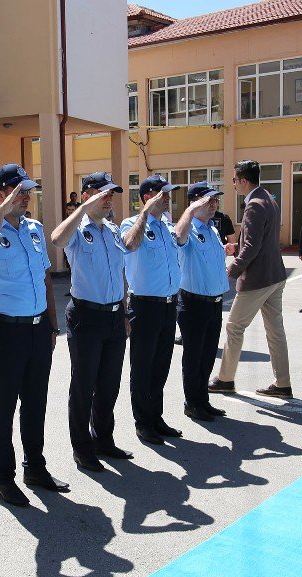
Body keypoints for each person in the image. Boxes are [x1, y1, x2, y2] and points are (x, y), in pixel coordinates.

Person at [0, 165, 66, 507]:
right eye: (19, 190)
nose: (26, 196)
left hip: (39, 329)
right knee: (4, 405)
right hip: (8, 330)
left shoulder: (35, 229)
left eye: (28, 191)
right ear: (0, 193)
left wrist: (53, 326)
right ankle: (3, 479)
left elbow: (45, 281)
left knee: (36, 402)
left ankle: (35, 467)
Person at [50, 172, 134, 473]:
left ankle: (103, 439)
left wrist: (124, 312)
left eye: (112, 194)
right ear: (87, 195)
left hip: (113, 316)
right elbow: (57, 239)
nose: (109, 199)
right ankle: (82, 448)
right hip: (86, 316)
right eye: (103, 194)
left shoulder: (112, 230)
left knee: (109, 384)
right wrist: (83, 210)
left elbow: (120, 275)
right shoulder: (76, 229)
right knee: (84, 385)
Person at [209, 160, 291, 398]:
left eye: (234, 180)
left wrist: (231, 270)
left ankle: (225, 379)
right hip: (275, 275)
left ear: (244, 180)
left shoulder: (254, 204)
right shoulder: (268, 198)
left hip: (258, 279)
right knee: (276, 331)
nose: (234, 184)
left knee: (234, 327)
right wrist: (237, 246)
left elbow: (253, 247)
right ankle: (283, 383)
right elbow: (259, 240)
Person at [120, 174, 183, 445]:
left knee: (161, 366)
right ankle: (143, 422)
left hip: (169, 306)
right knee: (143, 367)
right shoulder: (131, 224)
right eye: (163, 194)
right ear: (147, 197)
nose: (168, 198)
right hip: (145, 306)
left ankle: (156, 417)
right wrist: (144, 212)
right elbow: (130, 244)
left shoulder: (167, 225)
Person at [174, 182, 233, 423]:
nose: (213, 204)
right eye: (208, 200)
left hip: (214, 303)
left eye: (215, 200)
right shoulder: (188, 228)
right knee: (194, 356)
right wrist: (189, 211)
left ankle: (203, 400)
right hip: (194, 304)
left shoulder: (212, 230)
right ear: (195, 202)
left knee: (208, 354)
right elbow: (178, 237)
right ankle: (192, 403)